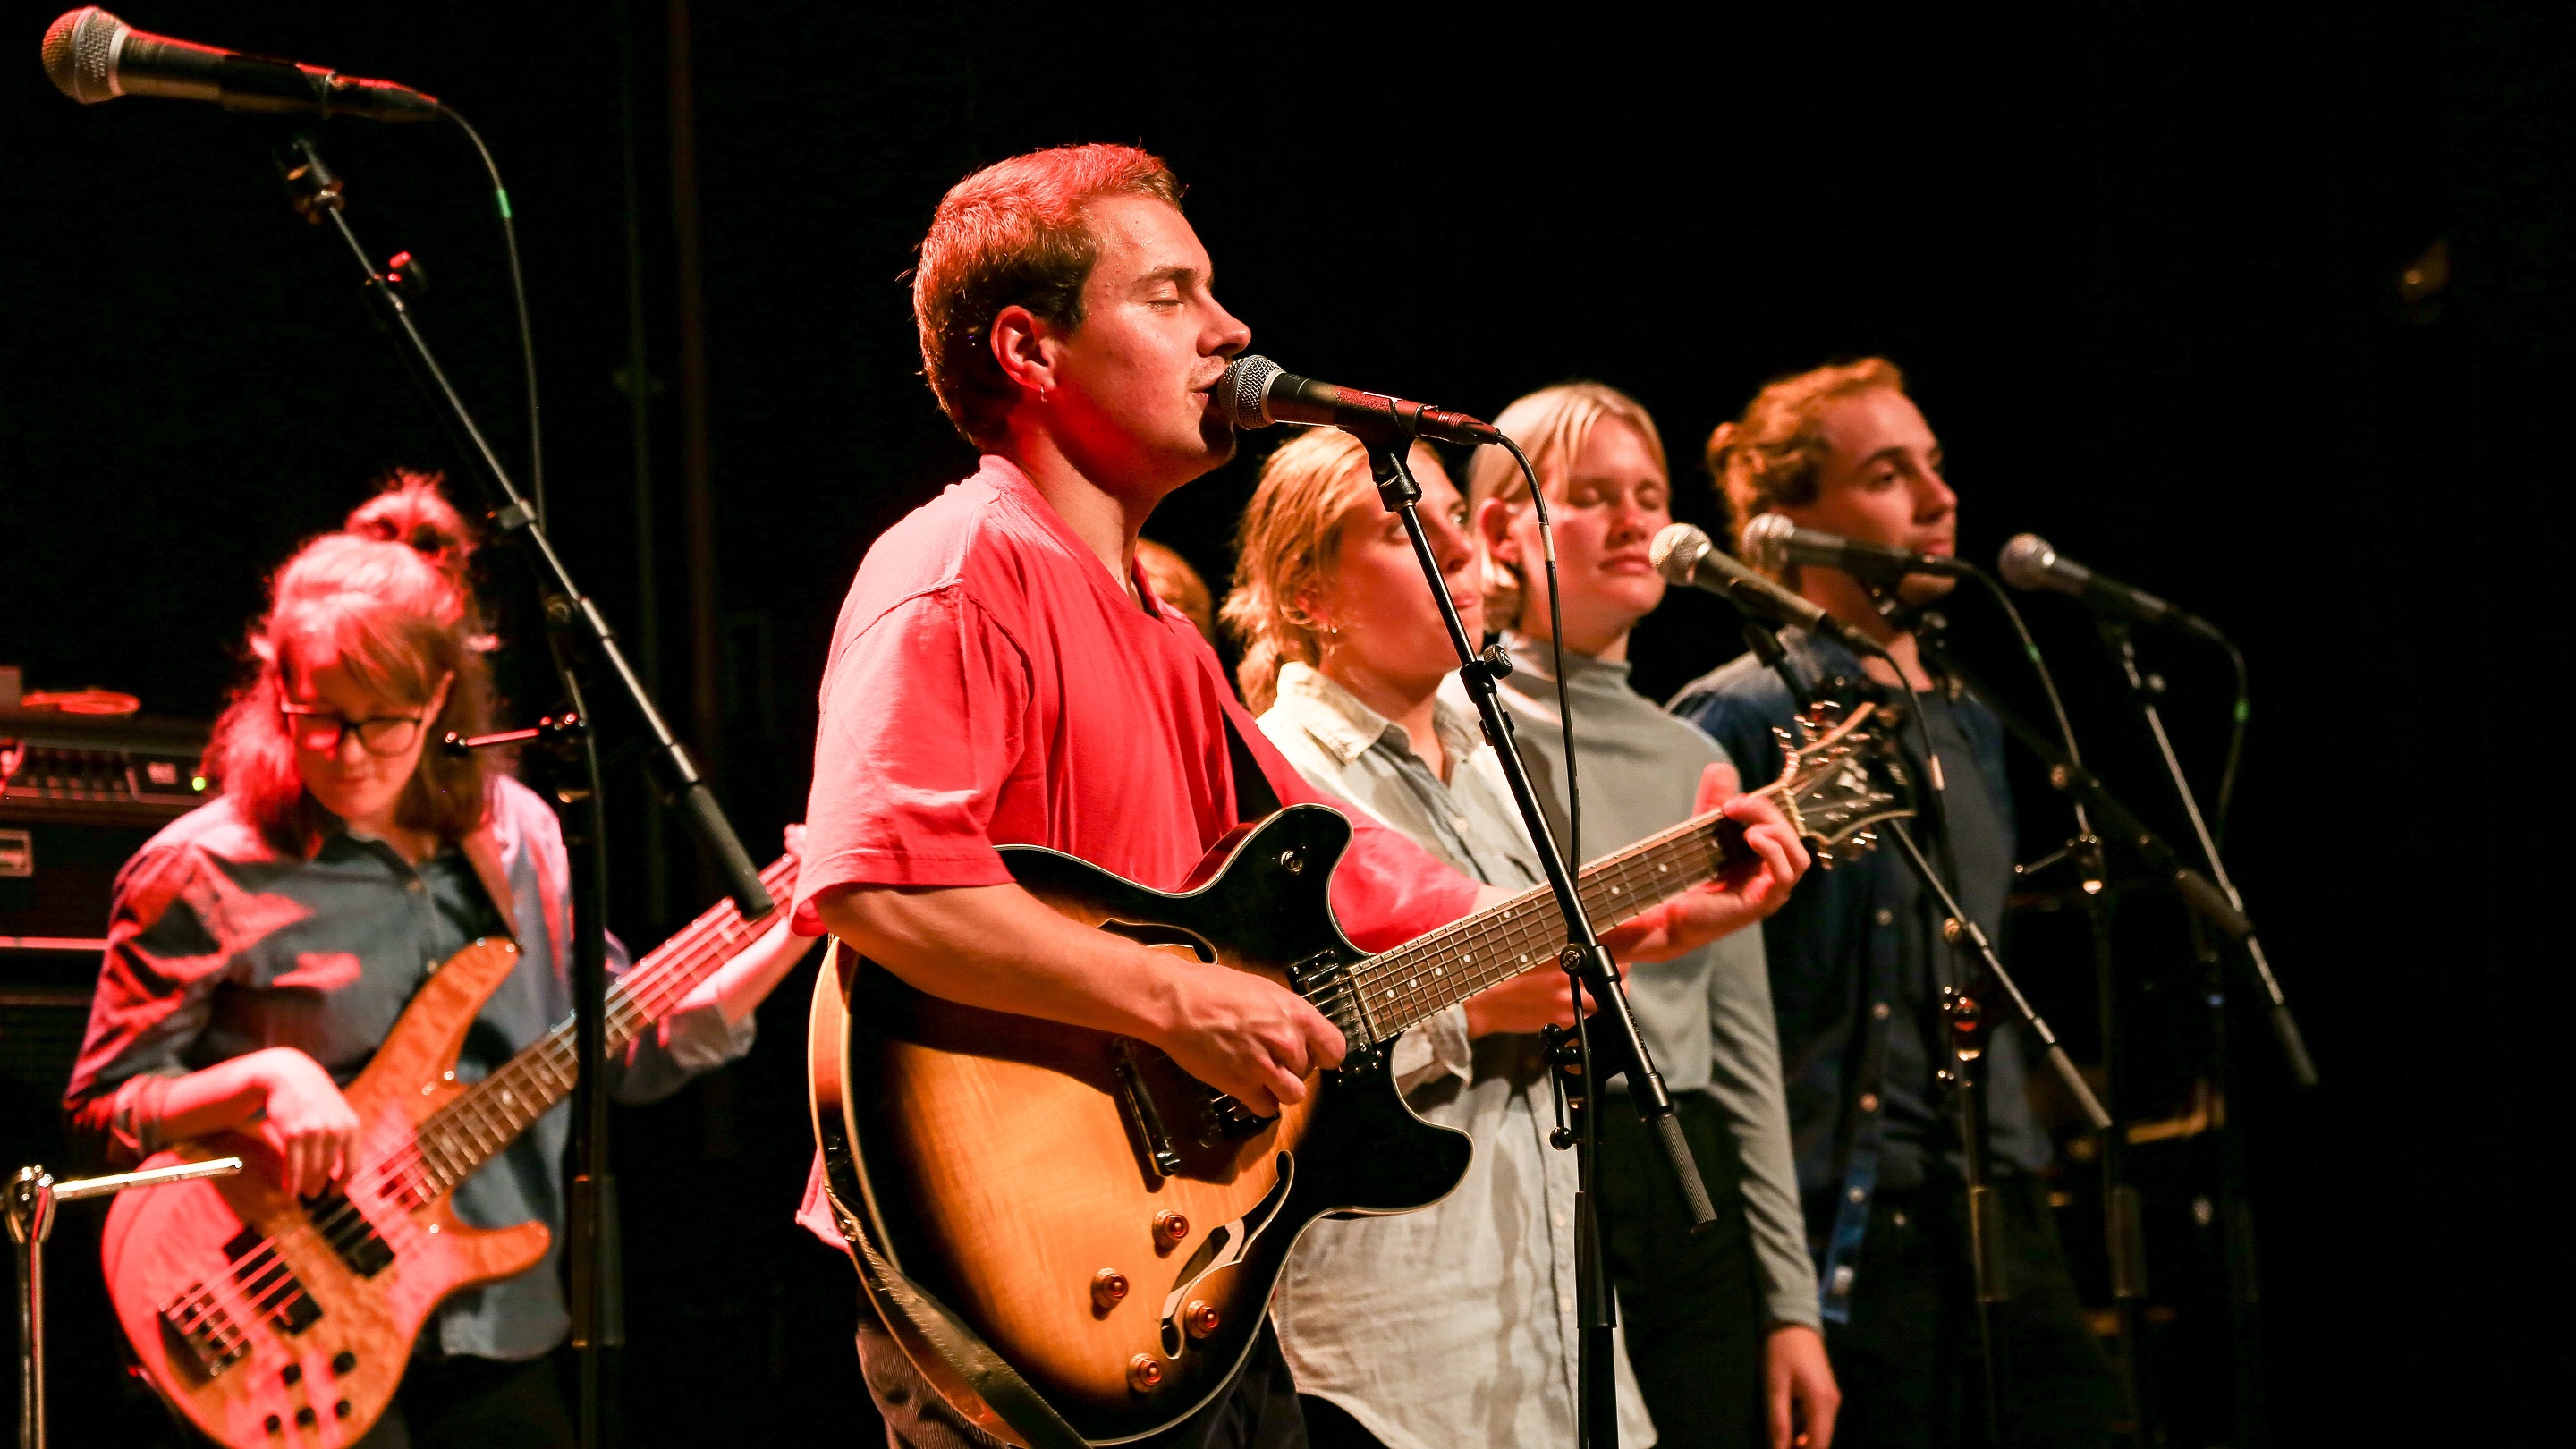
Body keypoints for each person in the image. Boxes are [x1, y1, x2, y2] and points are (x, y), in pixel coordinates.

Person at [788, 143, 1805, 1449]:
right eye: (1169, 297)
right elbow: (876, 882)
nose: (1231, 331)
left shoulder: (1160, 628)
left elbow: (1374, 884)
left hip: (1170, 1258)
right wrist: (1174, 995)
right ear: (1030, 352)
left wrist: (1659, 908)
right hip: (1013, 1259)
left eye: (1213, 293)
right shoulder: (958, 568)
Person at [63, 473, 816, 1449]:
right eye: (317, 715)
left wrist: (799, 920)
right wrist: (265, 1079)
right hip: (281, 1336)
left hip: (499, 1332)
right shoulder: (200, 871)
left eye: (387, 720)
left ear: (444, 704)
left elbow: (624, 1047)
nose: (347, 751)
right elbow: (101, 1112)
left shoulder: (524, 841)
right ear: (273, 691)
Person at [1224, 429, 1804, 1449]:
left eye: (1456, 519)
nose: (1462, 552)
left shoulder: (1493, 761)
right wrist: (1472, 1013)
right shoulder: (1274, 781)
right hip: (1392, 1360)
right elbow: (1255, 1053)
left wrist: (1680, 926)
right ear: (1306, 591)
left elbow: (1531, 963)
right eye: (1408, 529)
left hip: (1550, 1338)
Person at [1668, 359, 2119, 1448]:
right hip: (1844, 1220)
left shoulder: (1967, 716)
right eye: (1886, 474)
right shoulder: (1730, 719)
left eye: (1933, 466)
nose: (1935, 498)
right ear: (1786, 524)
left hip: (1998, 1195)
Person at [1462, 382, 1841, 1449]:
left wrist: (1791, 1307)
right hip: (1531, 1169)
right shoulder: (1456, 725)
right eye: (1592, 495)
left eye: (1652, 493)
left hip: (1689, 1174)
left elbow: (1745, 1052)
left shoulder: (1697, 758)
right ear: (1501, 526)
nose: (1640, 522)